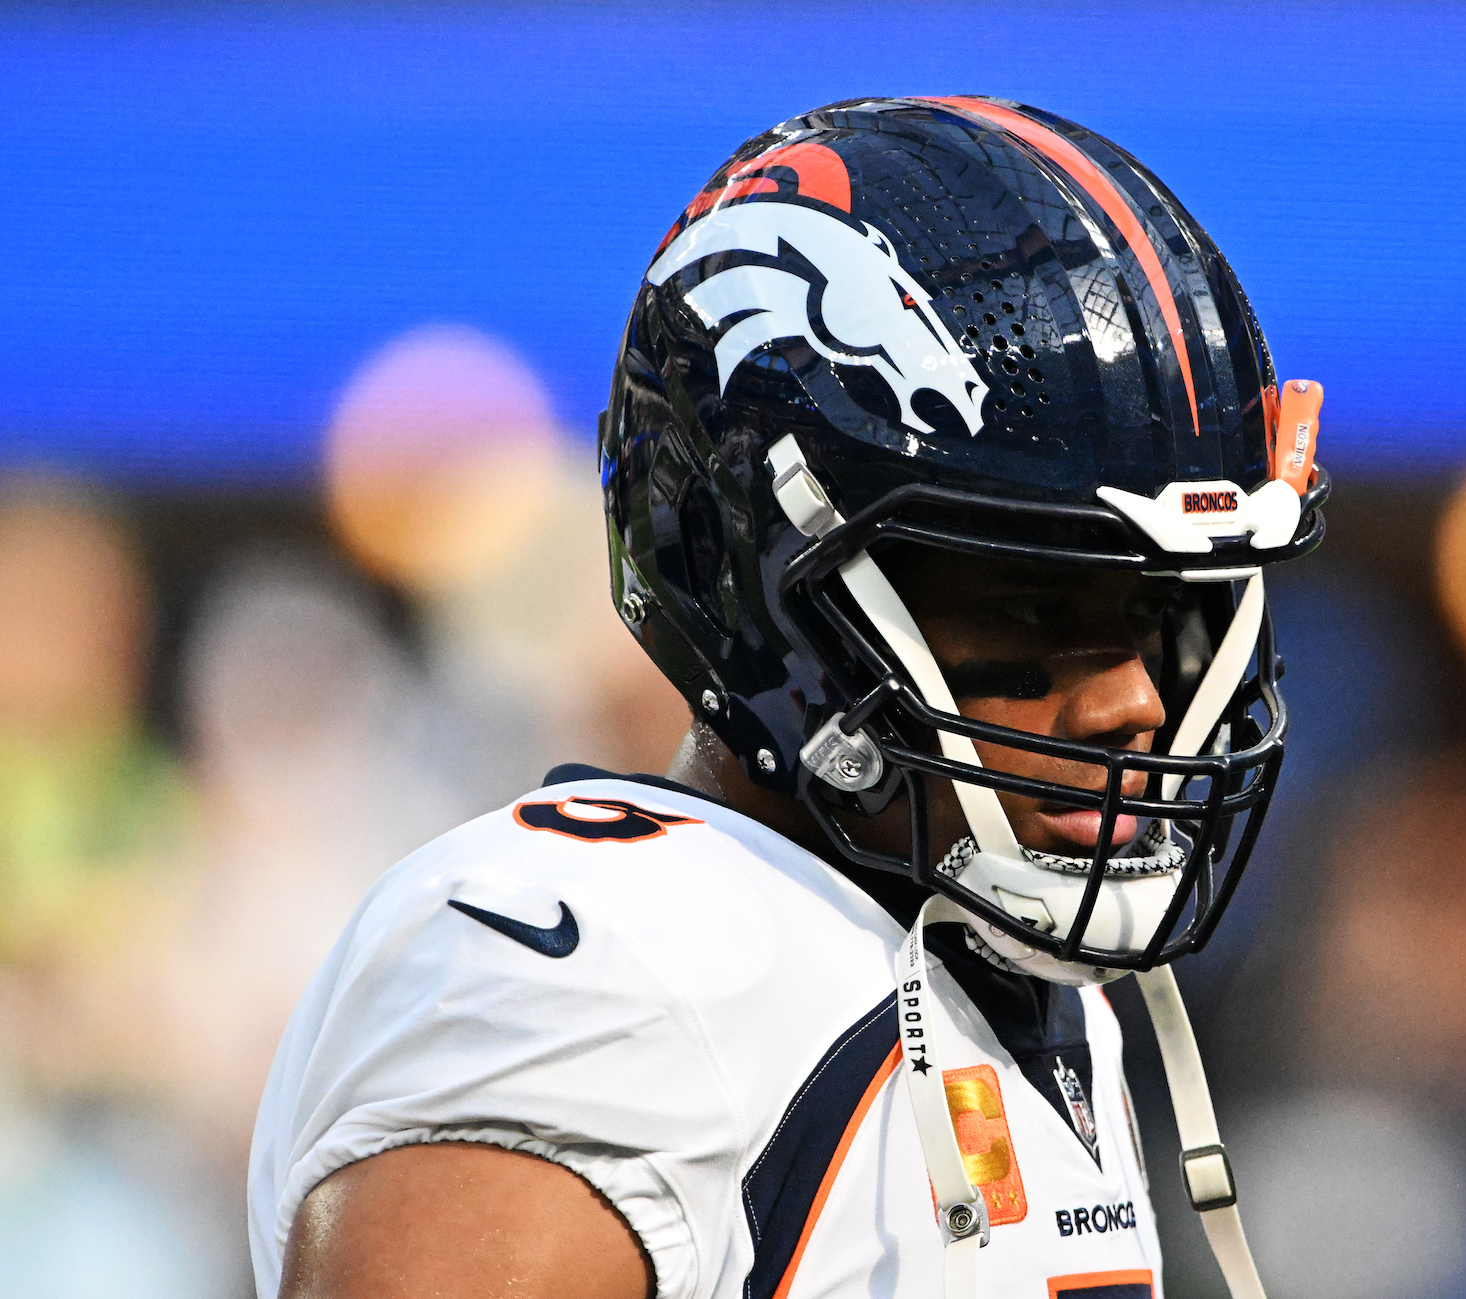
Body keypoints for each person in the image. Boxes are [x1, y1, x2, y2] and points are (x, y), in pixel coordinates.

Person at [248, 96, 1328, 1299]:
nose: (1133, 702)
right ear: (758, 582)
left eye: (1154, 615)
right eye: (1026, 608)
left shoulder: (1019, 980)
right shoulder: (601, 961)